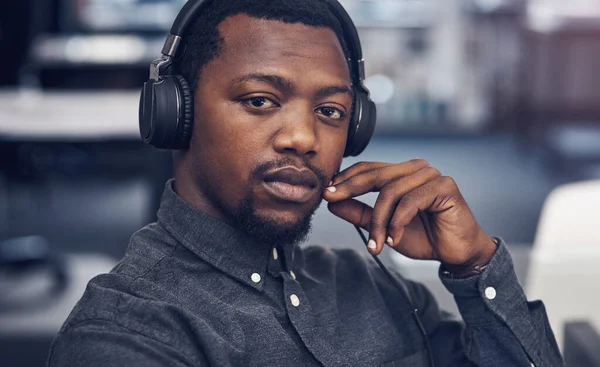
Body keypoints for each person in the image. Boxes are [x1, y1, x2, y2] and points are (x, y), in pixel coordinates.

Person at [47, 0, 563, 366]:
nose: (303, 137)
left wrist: (475, 264)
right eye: (260, 101)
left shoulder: (373, 284)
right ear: (175, 114)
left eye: (331, 111)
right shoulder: (127, 333)